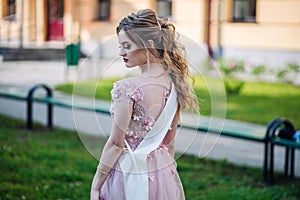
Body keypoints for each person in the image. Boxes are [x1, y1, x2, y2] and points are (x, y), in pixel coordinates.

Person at [90, 9, 199, 200]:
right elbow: (169, 142)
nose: (120, 52)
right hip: (160, 172)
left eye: (126, 45)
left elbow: (116, 143)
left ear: (148, 45)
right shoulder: (175, 84)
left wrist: (96, 184)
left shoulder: (128, 87)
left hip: (128, 172)